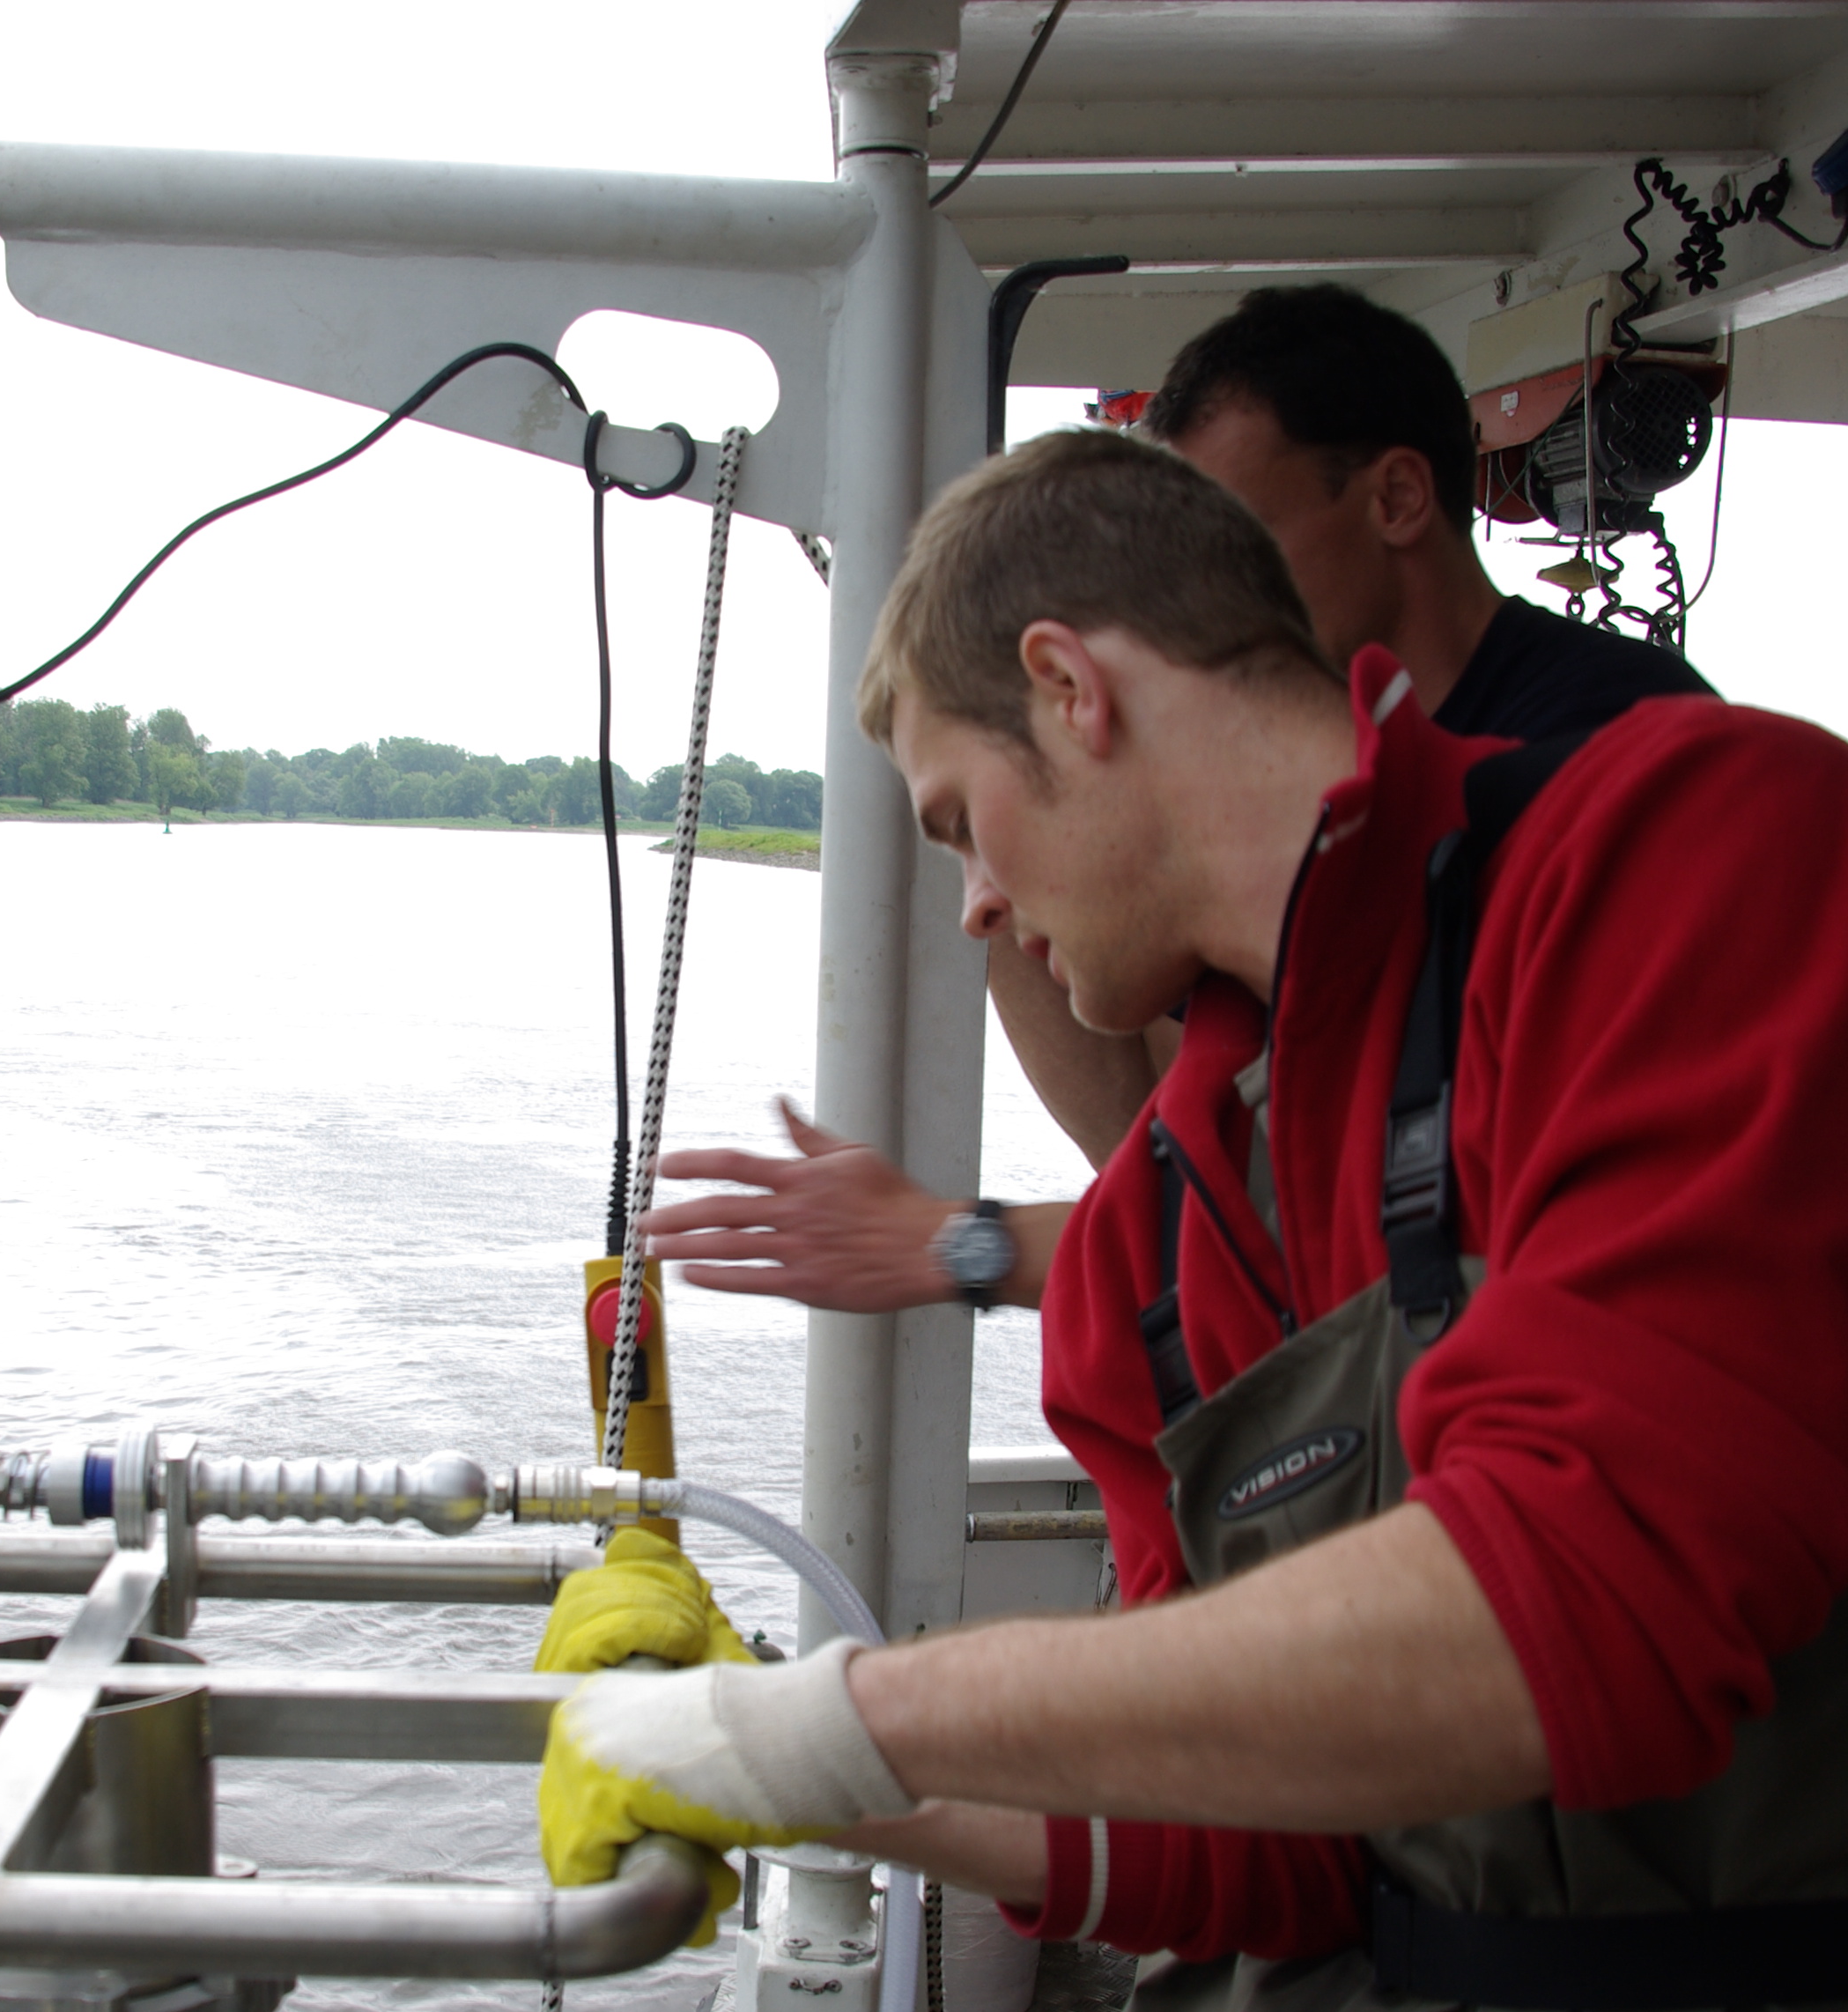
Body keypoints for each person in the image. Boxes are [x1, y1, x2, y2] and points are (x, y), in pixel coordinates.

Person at [535, 429, 1848, 2012]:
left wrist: (833, 1720)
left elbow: (1590, 1606)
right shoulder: (1158, 1229)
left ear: (1068, 686)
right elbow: (1261, 1853)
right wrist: (771, 1763)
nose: (970, 904)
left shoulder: (1708, 848)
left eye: (961, 820)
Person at [638, 284, 1711, 1319]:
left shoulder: (1644, 799)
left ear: (1392, 499)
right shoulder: (1251, 958)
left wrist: (952, 1242)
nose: (1190, 573)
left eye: (1228, 530)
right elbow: (1236, 1227)